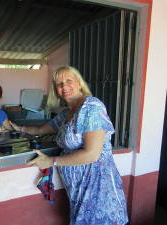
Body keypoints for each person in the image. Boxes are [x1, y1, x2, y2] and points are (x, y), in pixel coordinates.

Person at [10, 66, 128, 225]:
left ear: (79, 84)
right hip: (77, 189)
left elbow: (92, 154)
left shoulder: (92, 107)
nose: (64, 86)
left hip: (98, 187)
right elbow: (40, 129)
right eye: (59, 84)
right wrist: (18, 128)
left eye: (68, 81)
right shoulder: (66, 114)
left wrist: (51, 161)